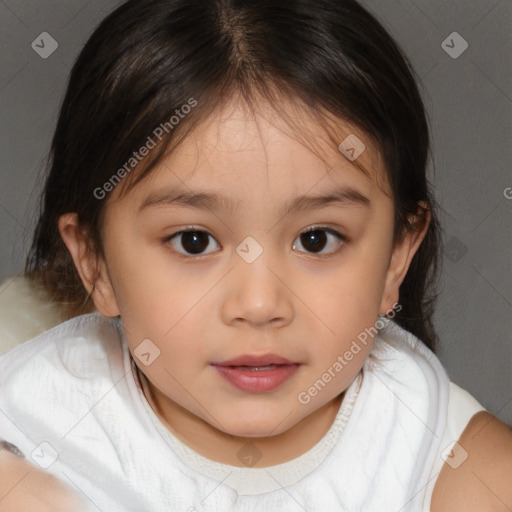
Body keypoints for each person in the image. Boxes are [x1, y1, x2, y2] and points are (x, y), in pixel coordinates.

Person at [1, 0, 511, 510]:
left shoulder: (465, 475)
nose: (261, 303)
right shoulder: (28, 444)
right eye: (193, 241)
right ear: (95, 261)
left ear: (397, 256)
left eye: (317, 239)